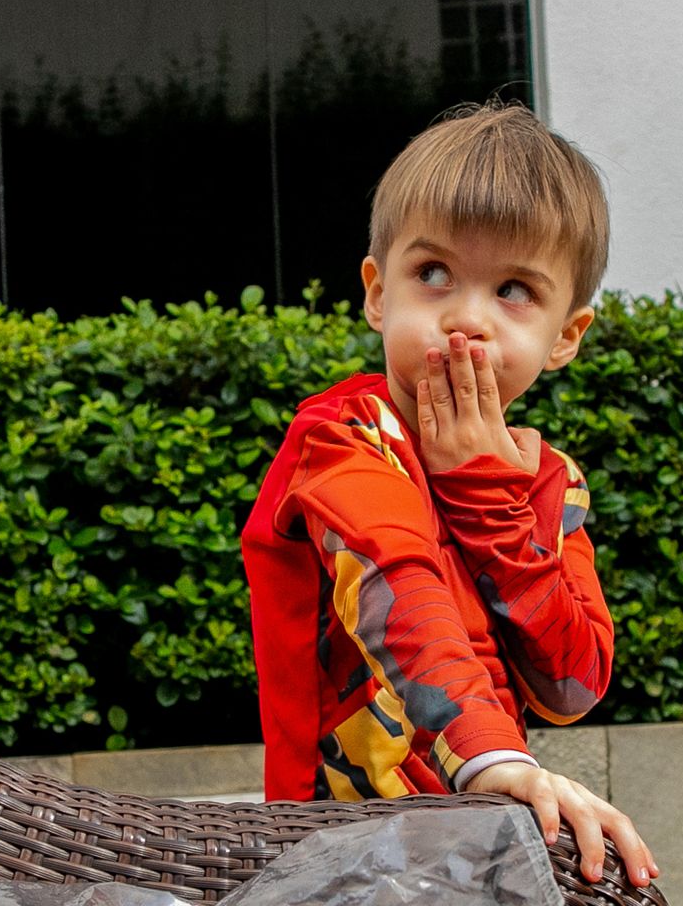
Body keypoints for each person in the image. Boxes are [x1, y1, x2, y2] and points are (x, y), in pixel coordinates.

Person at [240, 103, 660, 889]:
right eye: (433, 274)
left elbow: (571, 683)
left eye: (513, 289)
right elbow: (395, 586)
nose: (466, 319)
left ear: (566, 335)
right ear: (377, 292)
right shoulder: (343, 437)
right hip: (334, 850)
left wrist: (488, 494)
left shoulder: (552, 481)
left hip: (481, 836)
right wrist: (497, 758)